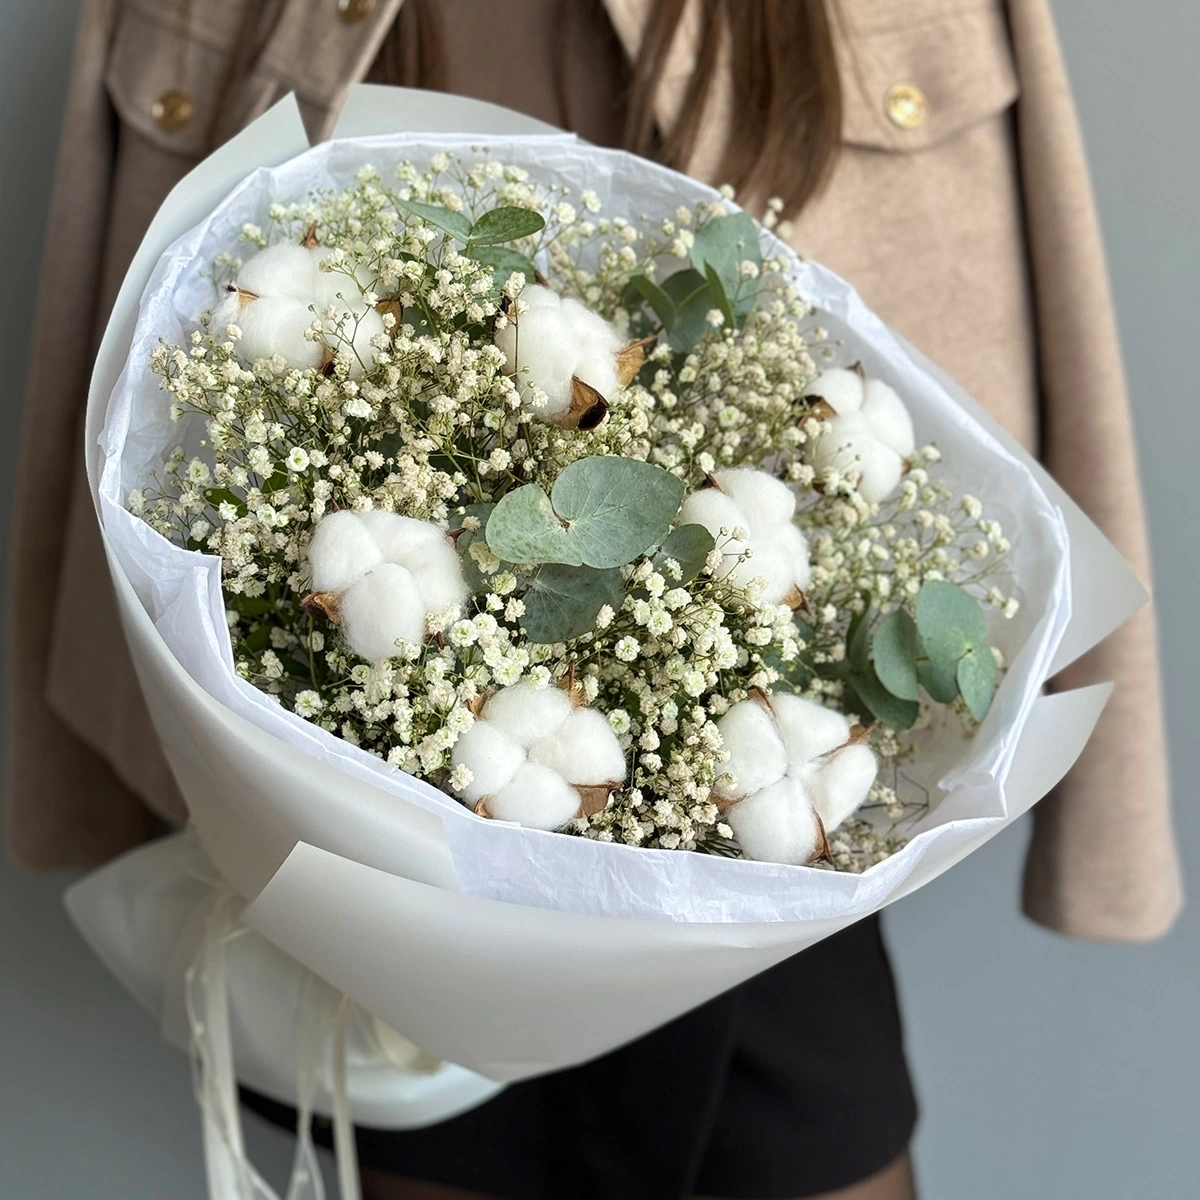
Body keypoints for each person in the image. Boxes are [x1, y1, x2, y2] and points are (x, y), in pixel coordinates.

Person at [4, 2, 1182, 1198]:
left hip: (775, 782)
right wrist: (82, 773)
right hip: (361, 816)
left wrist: (1103, 818)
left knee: (815, 1131)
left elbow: (1046, 302)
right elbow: (99, 342)